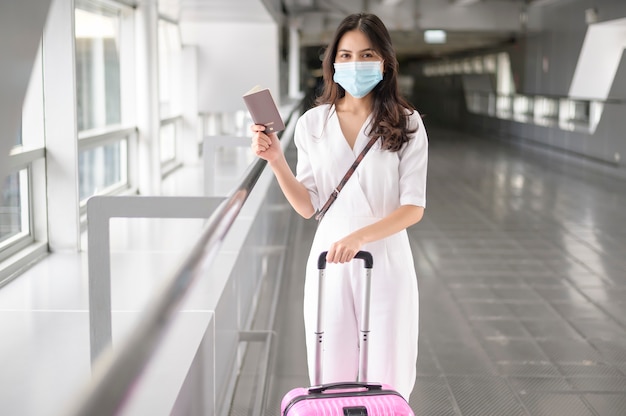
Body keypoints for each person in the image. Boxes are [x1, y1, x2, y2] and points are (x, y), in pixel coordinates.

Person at [250, 12, 428, 401]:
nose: (354, 64)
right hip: (329, 258)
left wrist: (360, 236)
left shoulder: (408, 123)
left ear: (384, 62)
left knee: (389, 369)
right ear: (332, 63)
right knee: (332, 369)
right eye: (345, 55)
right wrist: (277, 161)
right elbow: (307, 205)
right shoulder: (314, 123)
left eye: (366, 55)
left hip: (385, 255)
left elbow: (413, 207)